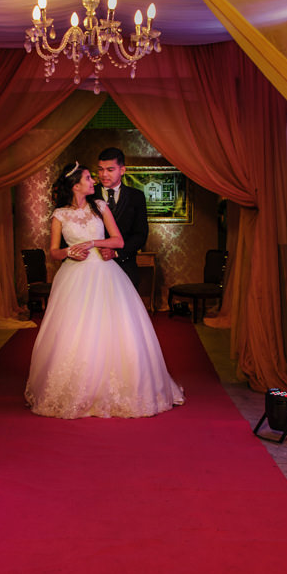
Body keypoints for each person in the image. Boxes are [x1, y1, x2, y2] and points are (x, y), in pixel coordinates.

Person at [24, 162, 184, 419]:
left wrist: (92, 242)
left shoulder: (100, 207)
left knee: (112, 327)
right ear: (76, 185)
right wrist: (69, 252)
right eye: (88, 178)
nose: (93, 181)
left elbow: (118, 240)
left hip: (104, 272)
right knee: (76, 329)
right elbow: (53, 251)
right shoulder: (60, 214)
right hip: (74, 275)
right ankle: (75, 388)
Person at [94, 147, 149, 288]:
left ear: (122, 170)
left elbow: (141, 234)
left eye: (110, 170)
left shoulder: (136, 196)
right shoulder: (89, 196)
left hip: (126, 267)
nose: (104, 174)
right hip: (94, 267)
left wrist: (117, 253)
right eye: (100, 169)